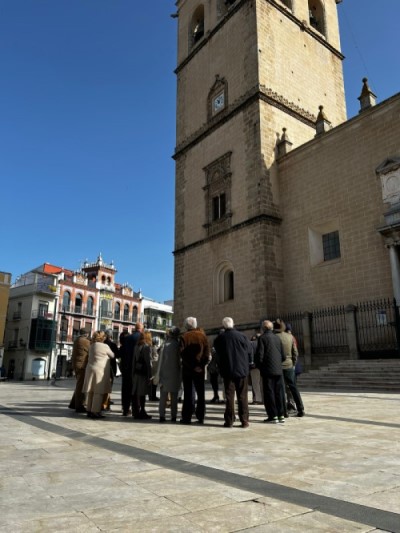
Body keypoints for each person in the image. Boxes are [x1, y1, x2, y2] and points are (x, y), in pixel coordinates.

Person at [213, 317, 252, 428]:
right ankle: (244, 420)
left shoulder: (220, 338)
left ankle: (229, 420)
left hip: (227, 371)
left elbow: (217, 355)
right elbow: (249, 351)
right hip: (242, 370)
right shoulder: (242, 336)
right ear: (233, 324)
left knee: (229, 397)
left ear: (223, 326)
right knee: (242, 396)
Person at [180, 317, 210, 425]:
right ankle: (201, 416)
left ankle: (187, 417)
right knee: (200, 393)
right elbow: (207, 354)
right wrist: (201, 365)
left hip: (188, 370)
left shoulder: (184, 337)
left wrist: (192, 366)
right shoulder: (203, 336)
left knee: (188, 393)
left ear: (186, 326)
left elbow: (182, 354)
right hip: (199, 370)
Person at [255, 320, 285, 424]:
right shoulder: (277, 338)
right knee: (278, 393)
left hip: (267, 370)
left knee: (269, 393)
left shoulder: (262, 338)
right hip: (278, 369)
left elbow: (260, 356)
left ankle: (273, 416)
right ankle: (281, 415)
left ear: (263, 328)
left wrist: (259, 366)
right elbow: (283, 355)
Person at [275, 319, 305, 417]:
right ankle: (301, 408)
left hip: (279, 366)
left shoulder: (275, 337)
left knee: (281, 389)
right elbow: (295, 352)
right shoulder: (290, 337)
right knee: (293, 387)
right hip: (289, 365)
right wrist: (293, 363)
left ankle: (284, 411)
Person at [83, 331, 115, 419]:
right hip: (99, 370)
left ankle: (89, 410)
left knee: (91, 392)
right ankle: (95, 411)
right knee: (98, 392)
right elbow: (112, 355)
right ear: (102, 337)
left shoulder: (92, 346)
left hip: (90, 369)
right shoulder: (105, 346)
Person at [154, 327, 182, 422]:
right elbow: (180, 361)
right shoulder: (178, 345)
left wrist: (158, 373)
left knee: (163, 396)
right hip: (175, 374)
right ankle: (173, 416)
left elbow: (160, 361)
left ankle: (162, 416)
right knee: (174, 397)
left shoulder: (164, 345)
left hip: (164, 374)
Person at [119, 323, 144, 416]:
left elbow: (124, 352)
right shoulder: (142, 338)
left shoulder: (127, 338)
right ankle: (136, 410)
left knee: (126, 389)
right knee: (136, 389)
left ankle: (125, 409)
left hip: (126, 367)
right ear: (141, 329)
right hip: (137, 368)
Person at [132, 331, 153, 419]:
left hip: (137, 372)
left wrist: (132, 373)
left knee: (138, 393)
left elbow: (134, 361)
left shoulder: (136, 346)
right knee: (142, 394)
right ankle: (142, 411)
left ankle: (138, 411)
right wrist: (150, 375)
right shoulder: (146, 347)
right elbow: (148, 362)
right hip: (143, 374)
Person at [68, 328, 90, 413]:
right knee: (80, 386)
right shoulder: (83, 341)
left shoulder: (77, 340)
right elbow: (91, 348)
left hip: (77, 364)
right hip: (81, 366)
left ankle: (74, 403)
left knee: (79, 385)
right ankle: (79, 406)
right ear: (86, 334)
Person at [102, 330, 119, 411]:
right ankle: (105, 404)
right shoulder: (112, 345)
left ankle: (106, 401)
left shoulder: (102, 343)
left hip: (101, 367)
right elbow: (116, 355)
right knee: (109, 386)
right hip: (110, 368)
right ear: (111, 336)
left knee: (102, 385)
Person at [250, 334, 263, 405]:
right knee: (261, 383)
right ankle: (262, 398)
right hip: (262, 366)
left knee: (255, 384)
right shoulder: (262, 343)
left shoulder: (252, 344)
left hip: (254, 366)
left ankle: (257, 399)